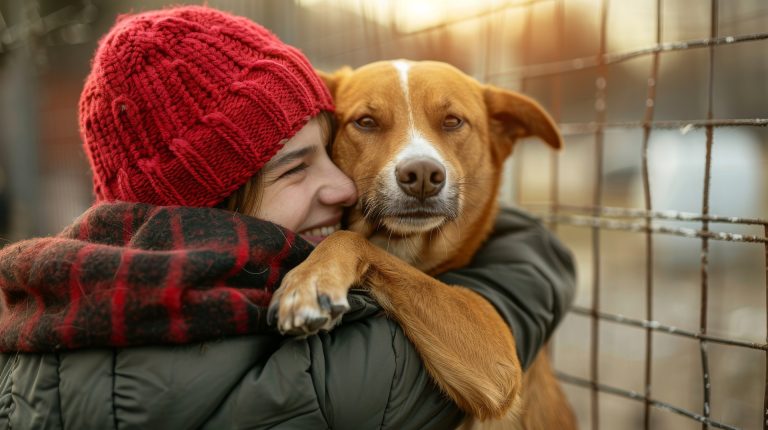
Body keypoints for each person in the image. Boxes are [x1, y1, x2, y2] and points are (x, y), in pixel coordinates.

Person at [0, 6, 575, 429]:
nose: (340, 185)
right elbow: (489, 368)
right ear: (213, 202)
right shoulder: (284, 364)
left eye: (327, 151)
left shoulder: (72, 299)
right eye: (295, 169)